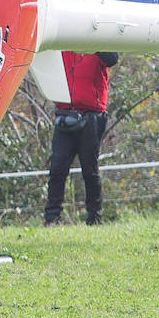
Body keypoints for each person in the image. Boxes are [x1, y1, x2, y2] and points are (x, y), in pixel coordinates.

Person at [44, 51, 120, 226]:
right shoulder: (62, 46)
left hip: (91, 114)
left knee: (89, 170)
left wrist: (94, 42)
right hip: (65, 113)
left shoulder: (95, 42)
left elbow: (112, 59)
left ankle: (94, 217)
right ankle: (52, 218)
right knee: (57, 169)